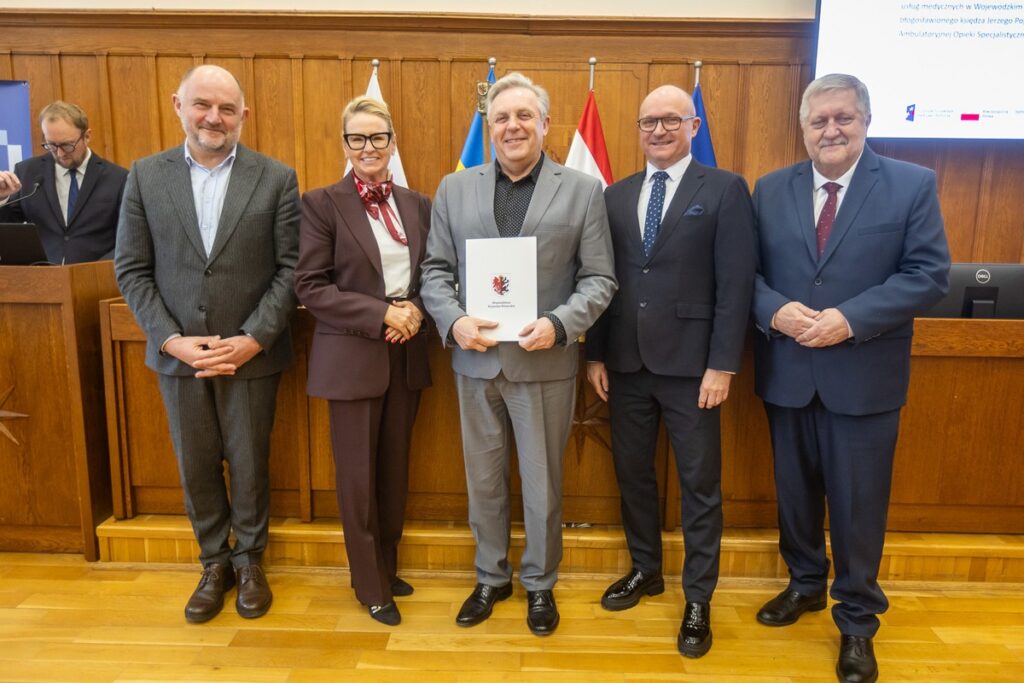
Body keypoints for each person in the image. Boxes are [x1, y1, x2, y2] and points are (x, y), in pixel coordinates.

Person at [751, 73, 950, 683]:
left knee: (859, 506)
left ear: (865, 121)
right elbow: (743, 275)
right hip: (788, 374)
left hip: (863, 378)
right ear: (804, 128)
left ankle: (858, 622)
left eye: (844, 118)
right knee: (797, 496)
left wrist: (849, 319)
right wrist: (772, 310)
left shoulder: (911, 184)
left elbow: (927, 275)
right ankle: (806, 583)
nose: (831, 129)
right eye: (819, 121)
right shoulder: (770, 189)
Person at [421, 71, 616, 636]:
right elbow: (434, 271)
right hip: (475, 358)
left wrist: (560, 324)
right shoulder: (454, 189)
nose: (512, 126)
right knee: (482, 479)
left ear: (545, 124)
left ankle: (539, 583)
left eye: (524, 116)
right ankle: (490, 577)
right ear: (490, 126)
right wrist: (454, 321)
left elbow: (600, 279)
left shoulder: (581, 190)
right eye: (502, 117)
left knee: (543, 483)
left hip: (545, 362)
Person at [115, 64, 300, 624]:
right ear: (179, 105)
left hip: (250, 356)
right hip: (180, 359)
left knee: (248, 462)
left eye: (226, 108)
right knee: (196, 465)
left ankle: (249, 562)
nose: (213, 118)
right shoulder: (146, 176)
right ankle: (213, 563)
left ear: (244, 115)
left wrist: (252, 339)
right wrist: (172, 340)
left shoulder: (276, 178)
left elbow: (291, 270)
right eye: (202, 105)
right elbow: (131, 269)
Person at [585, 84, 756, 658]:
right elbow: (604, 284)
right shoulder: (615, 194)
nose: (658, 131)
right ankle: (646, 569)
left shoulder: (726, 189)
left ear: (694, 125)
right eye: (648, 122)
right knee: (632, 475)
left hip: (693, 369)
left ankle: (699, 597)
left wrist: (723, 365)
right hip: (627, 364)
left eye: (670, 121)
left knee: (699, 486)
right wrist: (595, 355)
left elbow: (735, 285)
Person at [294, 96, 431, 627]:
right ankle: (369, 584)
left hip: (409, 356)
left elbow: (432, 274)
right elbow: (309, 286)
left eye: (378, 137)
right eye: (357, 138)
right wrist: (382, 315)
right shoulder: (322, 203)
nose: (368, 147)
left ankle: (386, 566)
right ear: (345, 144)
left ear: (393, 142)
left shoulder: (418, 203)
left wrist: (414, 310)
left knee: (394, 474)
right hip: (351, 357)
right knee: (356, 479)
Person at [0, 101, 127, 264]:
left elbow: (128, 239)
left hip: (95, 280)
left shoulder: (119, 178)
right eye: (51, 145)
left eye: (67, 145)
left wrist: (94, 272)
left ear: (87, 136)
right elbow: (7, 229)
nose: (60, 153)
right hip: (42, 279)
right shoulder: (27, 172)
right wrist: (2, 199)